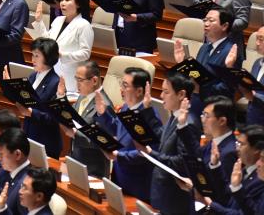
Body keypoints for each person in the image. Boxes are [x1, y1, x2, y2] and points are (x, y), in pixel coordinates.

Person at [140, 71, 201, 215]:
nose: (161, 96)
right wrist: (148, 109)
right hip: (164, 191)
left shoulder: (188, 123)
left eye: (166, 92)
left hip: (175, 198)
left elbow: (182, 161)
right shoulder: (175, 115)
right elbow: (163, 136)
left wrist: (151, 154)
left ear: (181, 94)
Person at [94, 68, 158, 202]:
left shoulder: (149, 116)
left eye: (125, 85)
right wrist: (102, 113)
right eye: (121, 84)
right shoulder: (126, 107)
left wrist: (119, 156)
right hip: (119, 177)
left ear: (140, 91)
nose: (121, 89)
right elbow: (117, 129)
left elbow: (147, 153)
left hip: (137, 184)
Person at [173, 8, 239, 114]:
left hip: (215, 109)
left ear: (224, 26)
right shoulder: (204, 47)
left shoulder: (231, 52)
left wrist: (200, 89)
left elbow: (227, 89)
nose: (206, 24)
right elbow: (197, 76)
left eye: (211, 20)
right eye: (205, 20)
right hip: (194, 101)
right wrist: (182, 64)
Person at [4, 38, 61, 159]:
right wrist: (8, 86)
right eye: (32, 55)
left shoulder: (56, 82)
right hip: (29, 133)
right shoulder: (33, 76)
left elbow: (54, 118)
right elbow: (21, 100)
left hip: (46, 140)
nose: (32, 59)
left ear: (48, 57)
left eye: (37, 56)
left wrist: (32, 113)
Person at [31, 0, 94, 93]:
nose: (62, 3)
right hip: (51, 70)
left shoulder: (84, 25)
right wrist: (39, 21)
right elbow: (48, 42)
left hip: (69, 74)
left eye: (67, 0)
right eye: (61, 0)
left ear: (78, 4)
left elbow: (85, 53)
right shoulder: (58, 20)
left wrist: (62, 55)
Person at [58, 61, 113, 178]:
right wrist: (61, 98)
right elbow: (71, 116)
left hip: (93, 170)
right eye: (76, 79)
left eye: (80, 80)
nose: (77, 84)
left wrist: (75, 134)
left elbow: (102, 142)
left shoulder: (104, 105)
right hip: (76, 162)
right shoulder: (83, 96)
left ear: (94, 80)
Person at [203, 125, 264, 213]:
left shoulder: (260, 179)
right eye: (237, 143)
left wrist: (211, 204)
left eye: (241, 144)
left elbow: (246, 212)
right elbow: (227, 195)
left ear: (256, 150)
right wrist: (215, 165)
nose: (237, 148)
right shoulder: (244, 169)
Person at [176, 95, 237, 182]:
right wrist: (182, 124)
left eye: (207, 116)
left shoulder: (230, 152)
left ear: (222, 121)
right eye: (203, 114)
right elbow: (197, 153)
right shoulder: (215, 141)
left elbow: (224, 189)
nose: (203, 120)